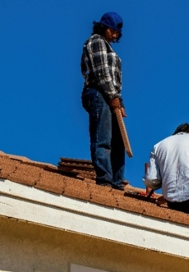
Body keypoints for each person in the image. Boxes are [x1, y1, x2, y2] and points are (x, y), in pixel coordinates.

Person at [81, 12, 126, 190]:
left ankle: (116, 181)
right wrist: (113, 97)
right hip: (99, 92)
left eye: (117, 33)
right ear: (104, 28)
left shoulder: (108, 47)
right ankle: (105, 179)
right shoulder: (96, 41)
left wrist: (119, 101)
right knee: (103, 138)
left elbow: (114, 79)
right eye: (112, 31)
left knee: (118, 141)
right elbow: (102, 73)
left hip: (111, 95)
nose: (114, 35)